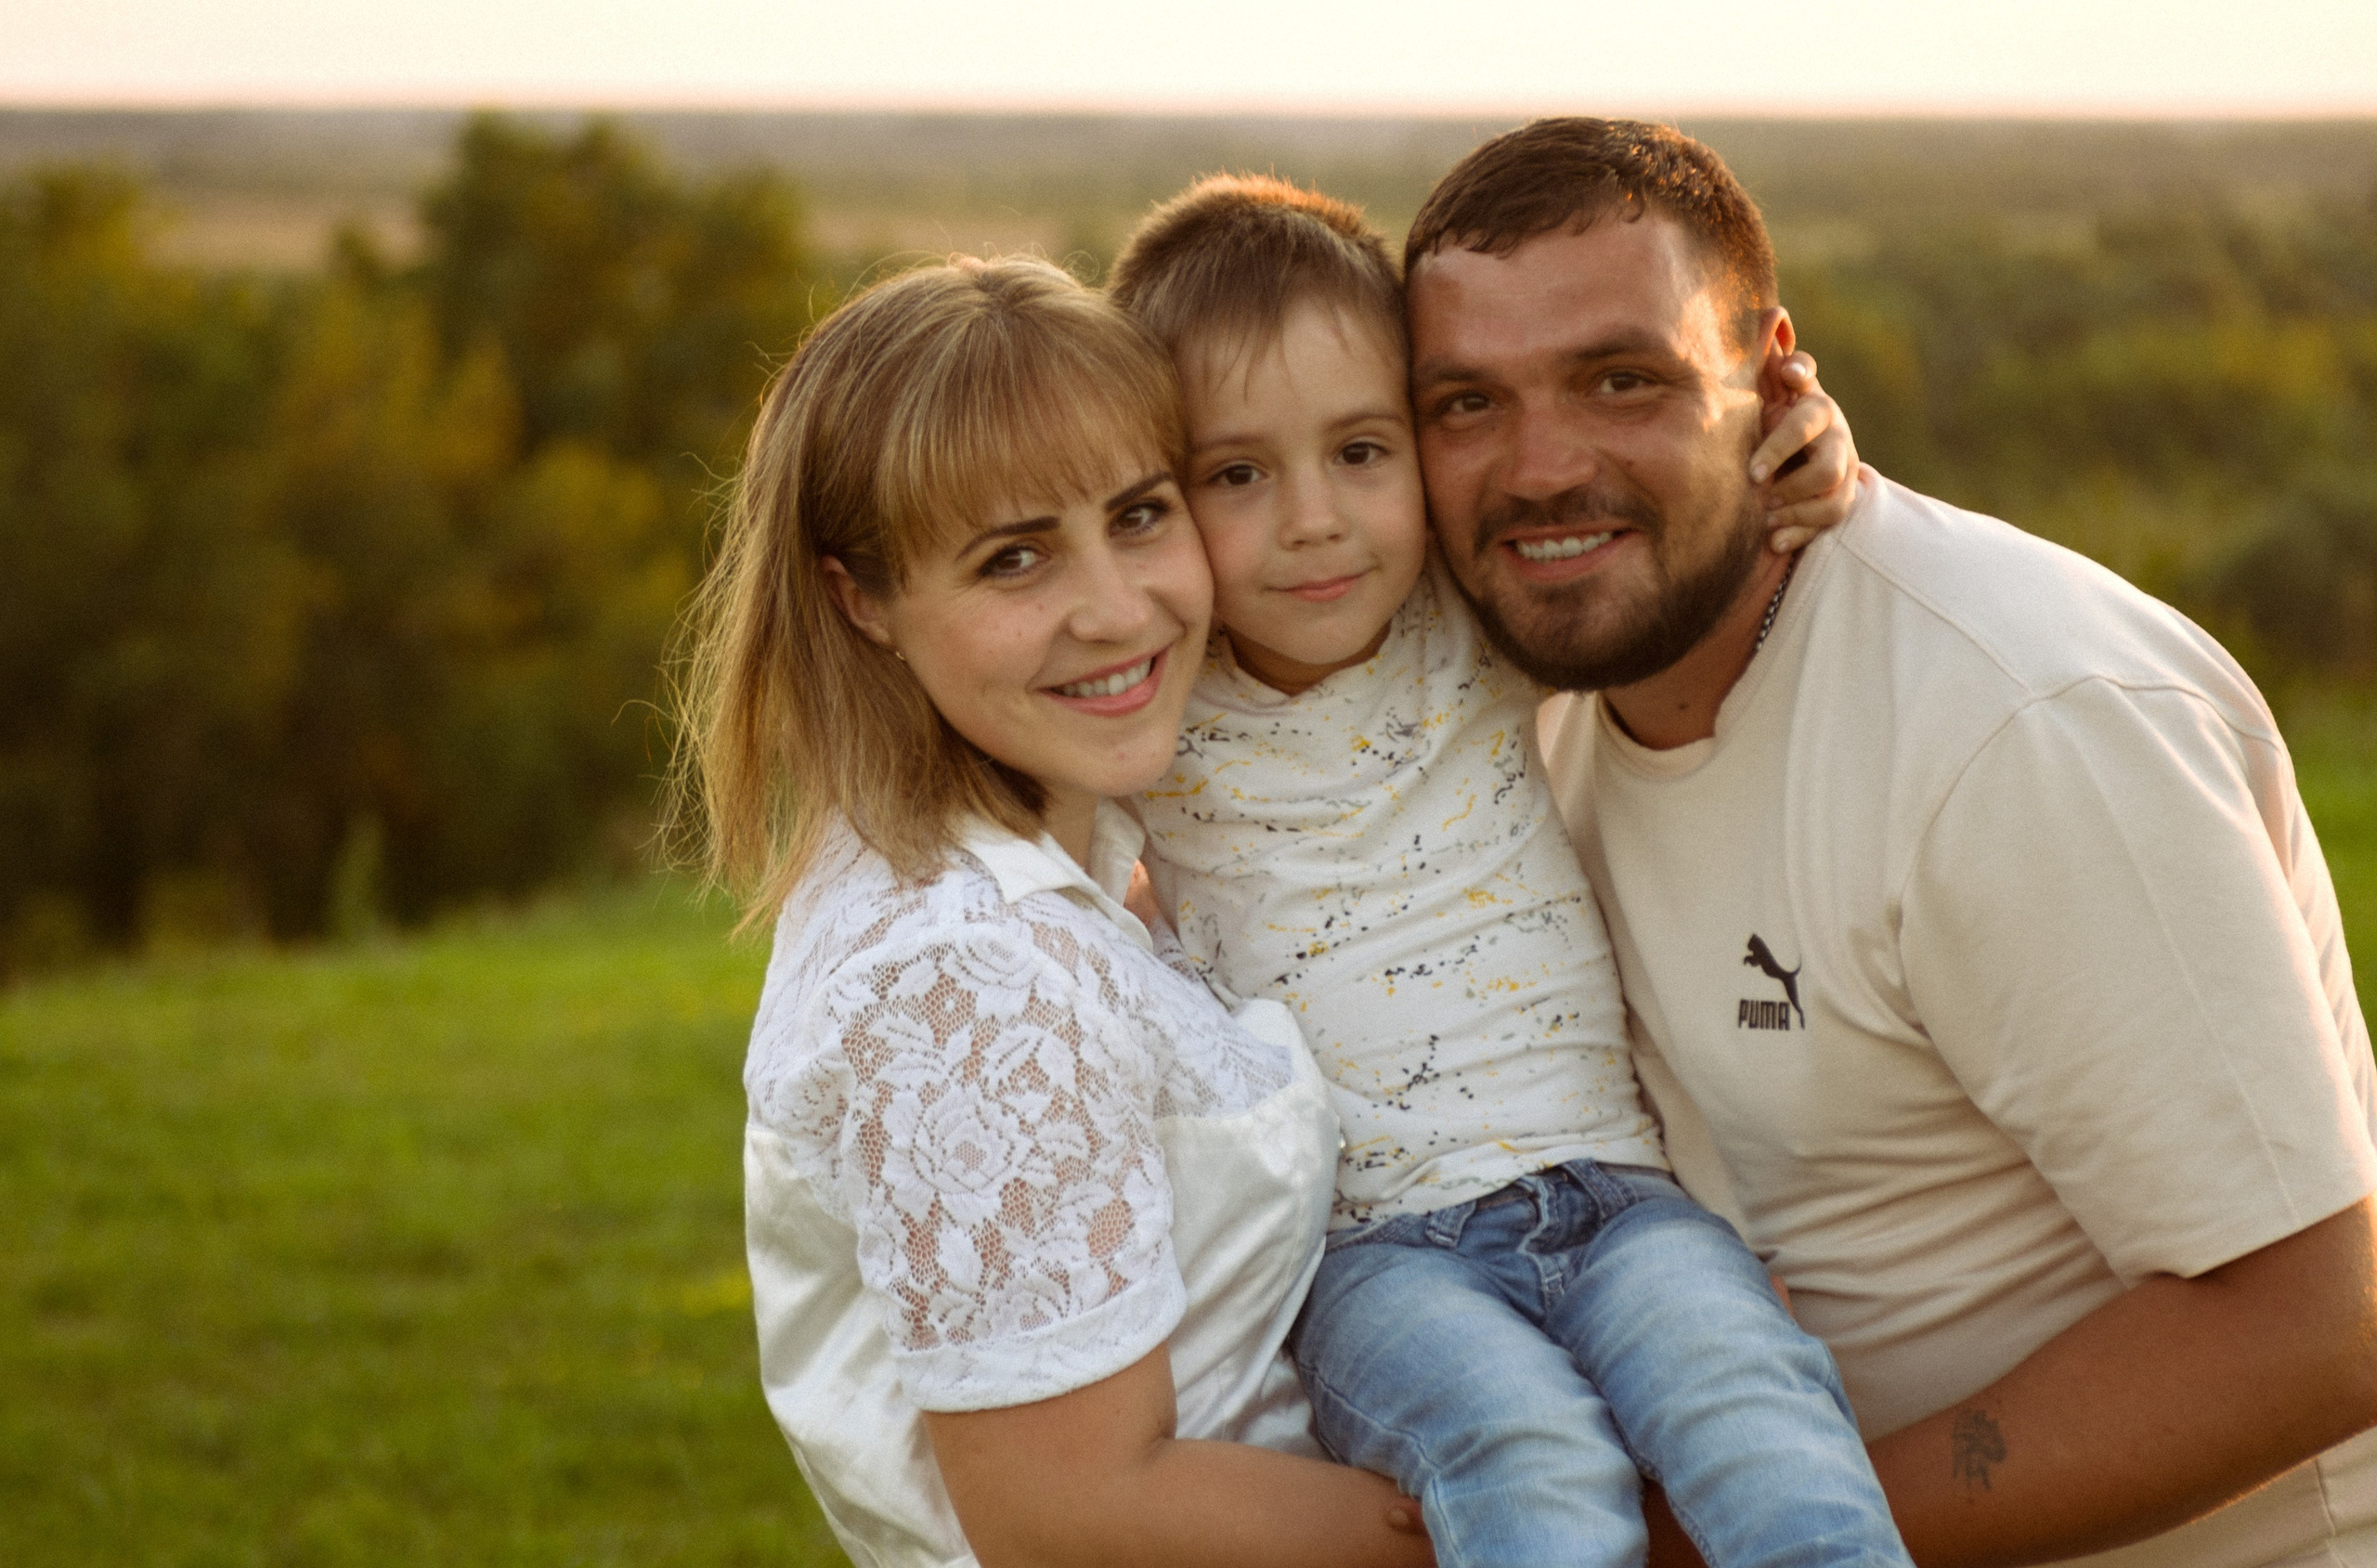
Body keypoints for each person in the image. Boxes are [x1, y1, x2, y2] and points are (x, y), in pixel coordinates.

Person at [1402, 115, 2377, 1568]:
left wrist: (1700, 1544)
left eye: (1624, 380)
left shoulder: (2020, 727)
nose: (1541, 467)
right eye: (1466, 404)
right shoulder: (1514, 701)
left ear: (1771, 374)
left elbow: (2319, 1328)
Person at [1109, 175, 1909, 1568]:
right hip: (1373, 1260)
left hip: (1621, 1200)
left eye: (1362, 452)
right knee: (1530, 1470)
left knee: (1769, 1432)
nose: (1314, 520)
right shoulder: (1147, 715)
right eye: (1237, 474)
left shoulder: (1468, 617)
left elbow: (1647, 525)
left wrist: (1807, 439)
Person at [671, 254, 1435, 1568]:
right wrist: (1568, 1516)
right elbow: (1084, 1515)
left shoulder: (1031, 866)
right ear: (861, 599)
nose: (1116, 606)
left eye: (1140, 515)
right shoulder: (968, 974)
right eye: (1014, 558)